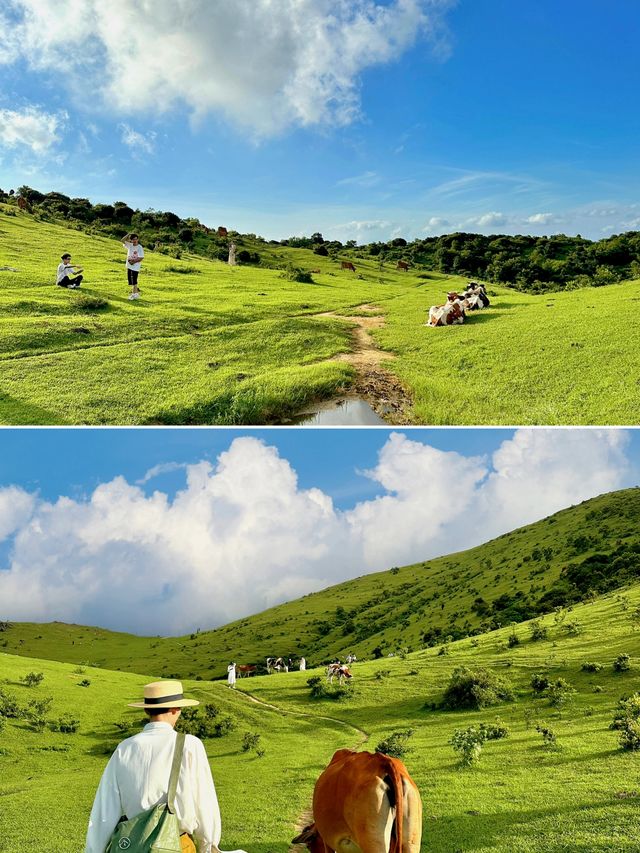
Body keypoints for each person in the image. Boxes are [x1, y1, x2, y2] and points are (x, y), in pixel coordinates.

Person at [85, 680, 223, 853]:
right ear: (176, 709)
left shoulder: (125, 748)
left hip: (132, 846)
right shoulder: (189, 745)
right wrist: (208, 845)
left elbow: (105, 809)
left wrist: (94, 850)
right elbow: (204, 802)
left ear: (146, 709)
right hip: (178, 845)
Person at [122, 232, 144, 299]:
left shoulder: (139, 247)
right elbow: (122, 240)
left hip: (135, 267)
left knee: (134, 280)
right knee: (131, 281)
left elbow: (141, 257)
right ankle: (136, 294)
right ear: (131, 240)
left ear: (138, 239)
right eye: (133, 239)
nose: (135, 240)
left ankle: (133, 294)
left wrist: (133, 261)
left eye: (136, 239)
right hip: (129, 266)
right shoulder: (130, 245)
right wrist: (128, 234)